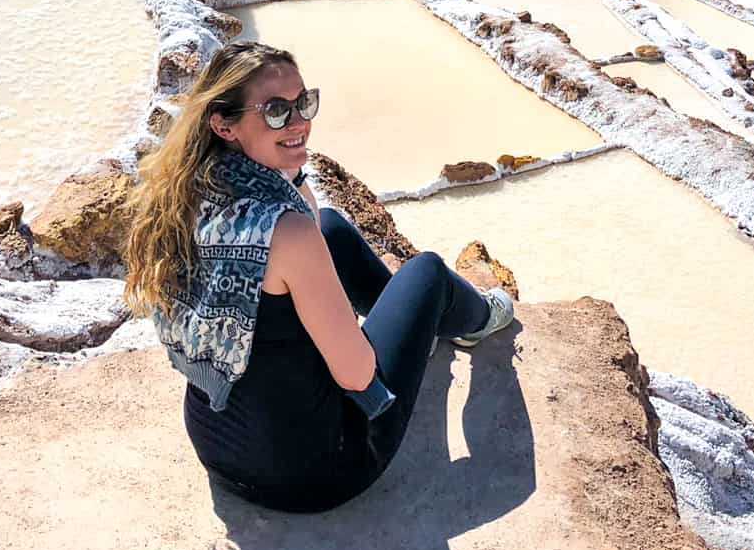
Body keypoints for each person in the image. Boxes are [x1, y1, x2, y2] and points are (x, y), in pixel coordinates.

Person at [124, 40, 514, 513]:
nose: (298, 122)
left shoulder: (187, 192)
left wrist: (291, 163)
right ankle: (478, 321)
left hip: (220, 449)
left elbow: (307, 225)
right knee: (427, 272)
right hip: (317, 472)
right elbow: (355, 372)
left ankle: (413, 329)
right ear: (224, 125)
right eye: (275, 111)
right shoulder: (285, 233)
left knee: (330, 226)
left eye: (303, 103)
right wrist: (349, 337)